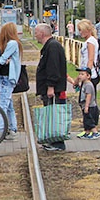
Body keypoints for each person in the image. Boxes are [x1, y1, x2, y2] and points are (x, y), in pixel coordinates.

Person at [34, 23, 68, 151]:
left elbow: (53, 68)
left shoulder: (52, 47)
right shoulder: (50, 46)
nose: (35, 34)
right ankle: (52, 140)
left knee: (54, 114)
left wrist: (51, 86)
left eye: (36, 32)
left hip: (55, 89)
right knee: (51, 114)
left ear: (42, 34)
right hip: (52, 87)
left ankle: (58, 143)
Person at [0, 22, 22, 139]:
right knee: (9, 104)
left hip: (7, 77)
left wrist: (4, 59)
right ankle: (12, 128)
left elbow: (1, 60)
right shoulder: (14, 43)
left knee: (3, 104)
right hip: (6, 77)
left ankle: (1, 129)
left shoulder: (12, 43)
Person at [67, 67, 99, 139]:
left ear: (88, 76)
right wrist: (78, 79)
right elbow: (75, 84)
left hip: (90, 106)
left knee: (89, 120)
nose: (80, 76)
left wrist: (87, 106)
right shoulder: (83, 83)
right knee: (85, 120)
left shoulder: (88, 85)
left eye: (82, 74)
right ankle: (87, 132)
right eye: (79, 74)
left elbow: (88, 96)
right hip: (84, 105)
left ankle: (95, 132)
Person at [76, 19, 100, 90]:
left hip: (90, 74)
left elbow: (90, 59)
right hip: (87, 73)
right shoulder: (89, 41)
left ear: (87, 30)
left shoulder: (90, 41)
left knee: (89, 98)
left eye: (81, 30)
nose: (80, 32)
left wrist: (87, 74)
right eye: (79, 30)